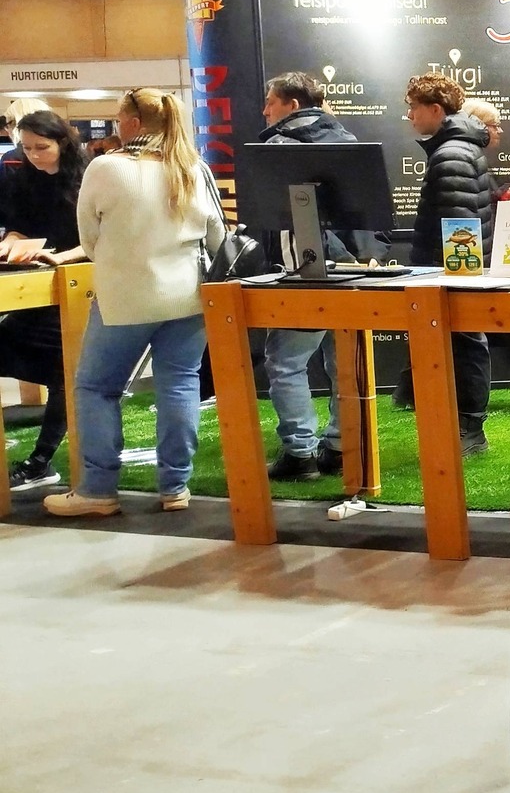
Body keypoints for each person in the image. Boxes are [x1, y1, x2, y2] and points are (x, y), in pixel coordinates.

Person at [45, 88, 224, 517]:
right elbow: (218, 235)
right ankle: (175, 487)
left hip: (124, 297)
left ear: (133, 122)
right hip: (188, 296)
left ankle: (98, 489)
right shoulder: (193, 166)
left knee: (96, 387)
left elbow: (89, 240)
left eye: (118, 117)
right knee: (179, 384)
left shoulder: (107, 167)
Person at [256, 72, 358, 481]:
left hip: (302, 269)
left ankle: (300, 453)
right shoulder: (348, 140)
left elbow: (273, 215)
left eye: (271, 101)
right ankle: (341, 447)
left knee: (286, 361)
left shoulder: (279, 146)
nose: (265, 110)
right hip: (353, 270)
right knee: (344, 361)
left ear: (292, 105)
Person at [405, 73, 495, 454]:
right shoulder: (457, 146)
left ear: (435, 109)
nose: (410, 116)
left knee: (465, 343)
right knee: (465, 342)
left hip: (453, 271)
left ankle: (469, 431)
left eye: (414, 108)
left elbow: (458, 220)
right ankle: (465, 426)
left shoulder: (450, 153)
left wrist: (453, 274)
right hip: (458, 268)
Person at [0, 111, 90, 489]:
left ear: (62, 143)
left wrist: (62, 257)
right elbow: (18, 226)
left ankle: (40, 461)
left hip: (79, 285)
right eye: (27, 148)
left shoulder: (88, 178)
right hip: (36, 286)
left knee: (65, 371)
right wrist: (12, 243)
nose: (34, 155)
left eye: (42, 147)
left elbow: (100, 239)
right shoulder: (23, 179)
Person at [461, 97, 510, 201]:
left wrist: (503, 197)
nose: (500, 131)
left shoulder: (476, 158)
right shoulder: (463, 159)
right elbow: (464, 202)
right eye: (495, 125)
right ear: (478, 126)